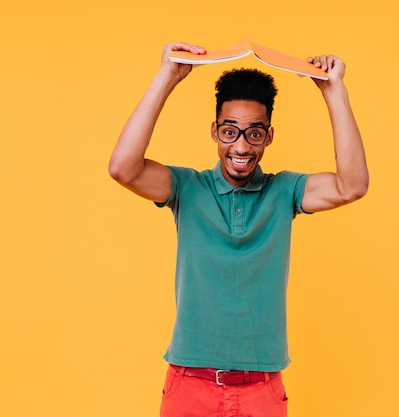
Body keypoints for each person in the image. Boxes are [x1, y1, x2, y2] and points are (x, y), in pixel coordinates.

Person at [109, 41, 368, 417]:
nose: (241, 147)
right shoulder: (187, 188)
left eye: (254, 133)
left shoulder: (285, 191)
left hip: (260, 389)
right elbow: (123, 168)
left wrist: (335, 92)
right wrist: (167, 77)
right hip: (188, 386)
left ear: (269, 136)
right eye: (230, 132)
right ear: (215, 131)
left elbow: (352, 185)